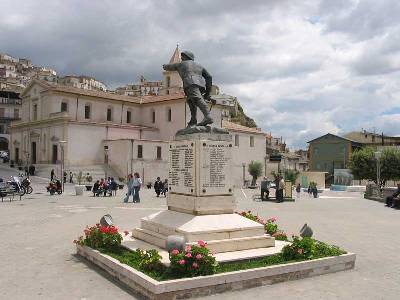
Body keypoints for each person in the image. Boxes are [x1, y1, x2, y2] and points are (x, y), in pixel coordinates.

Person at [163, 50, 213, 127]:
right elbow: (209, 77)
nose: (182, 58)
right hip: (201, 85)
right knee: (191, 101)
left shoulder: (181, 64)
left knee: (197, 99)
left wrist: (164, 66)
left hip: (190, 83)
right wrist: (207, 92)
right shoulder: (200, 65)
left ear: (187, 57)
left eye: (183, 56)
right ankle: (193, 120)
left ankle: (208, 116)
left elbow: (169, 67)